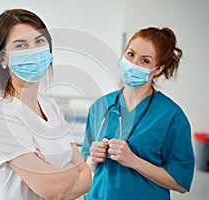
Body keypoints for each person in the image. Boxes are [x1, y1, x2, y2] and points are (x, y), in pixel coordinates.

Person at [0, 9, 91, 200]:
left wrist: (60, 178)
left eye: (39, 41)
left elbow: (86, 180)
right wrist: (71, 169)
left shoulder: (50, 107)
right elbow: (53, 189)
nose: (34, 51)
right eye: (21, 45)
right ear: (3, 58)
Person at [81, 27, 195, 199]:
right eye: (131, 54)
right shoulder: (100, 106)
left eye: (145, 61)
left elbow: (181, 183)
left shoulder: (171, 116)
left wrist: (134, 161)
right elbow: (85, 167)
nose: (134, 64)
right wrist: (93, 159)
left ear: (158, 69)